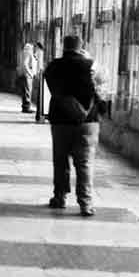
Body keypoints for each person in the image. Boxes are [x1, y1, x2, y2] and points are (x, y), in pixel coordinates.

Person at [44, 34, 104, 217]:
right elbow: (101, 86)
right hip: (88, 121)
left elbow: (51, 84)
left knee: (60, 161)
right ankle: (86, 204)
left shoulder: (54, 66)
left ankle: (60, 197)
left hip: (61, 120)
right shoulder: (91, 65)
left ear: (64, 46)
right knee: (84, 163)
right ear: (81, 47)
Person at [19, 43, 37, 113]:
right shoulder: (28, 54)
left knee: (25, 91)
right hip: (27, 76)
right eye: (31, 48)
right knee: (28, 91)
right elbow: (25, 64)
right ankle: (27, 107)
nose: (32, 49)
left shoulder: (24, 54)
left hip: (25, 75)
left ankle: (25, 107)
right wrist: (30, 73)